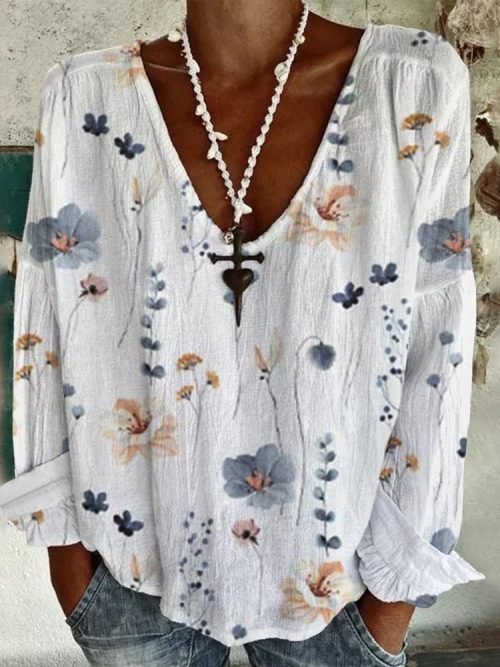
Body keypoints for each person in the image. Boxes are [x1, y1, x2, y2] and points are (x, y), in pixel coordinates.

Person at [0, 1, 484, 665]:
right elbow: (48, 329)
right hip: (130, 574)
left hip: (343, 583)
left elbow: (438, 343)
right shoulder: (81, 97)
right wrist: (69, 561)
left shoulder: (414, 83)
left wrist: (394, 599)